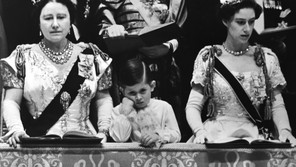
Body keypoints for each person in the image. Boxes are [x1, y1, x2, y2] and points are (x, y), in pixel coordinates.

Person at [0, 0, 113, 147]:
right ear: (39, 23)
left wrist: (103, 132)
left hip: (86, 145)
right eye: (47, 18)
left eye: (61, 17)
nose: (55, 24)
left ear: (70, 21)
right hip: (38, 143)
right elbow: (11, 101)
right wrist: (16, 130)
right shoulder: (23, 57)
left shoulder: (92, 56)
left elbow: (103, 99)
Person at [185, 0, 296, 146]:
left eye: (251, 22)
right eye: (240, 22)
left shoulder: (265, 59)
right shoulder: (209, 57)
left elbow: (277, 105)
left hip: (253, 137)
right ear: (226, 21)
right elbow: (193, 105)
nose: (247, 29)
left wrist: (285, 130)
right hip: (215, 137)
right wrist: (199, 131)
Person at [96, 0, 187, 126]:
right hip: (130, 68)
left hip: (165, 69)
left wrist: (170, 46)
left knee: (166, 123)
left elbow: (182, 30)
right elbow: (104, 27)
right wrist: (112, 29)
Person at [109, 57, 181, 148]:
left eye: (143, 91)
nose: (138, 97)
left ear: (152, 86)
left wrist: (158, 135)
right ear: (122, 91)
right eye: (132, 93)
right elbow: (120, 138)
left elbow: (176, 135)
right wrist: (124, 113)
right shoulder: (117, 111)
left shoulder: (163, 107)